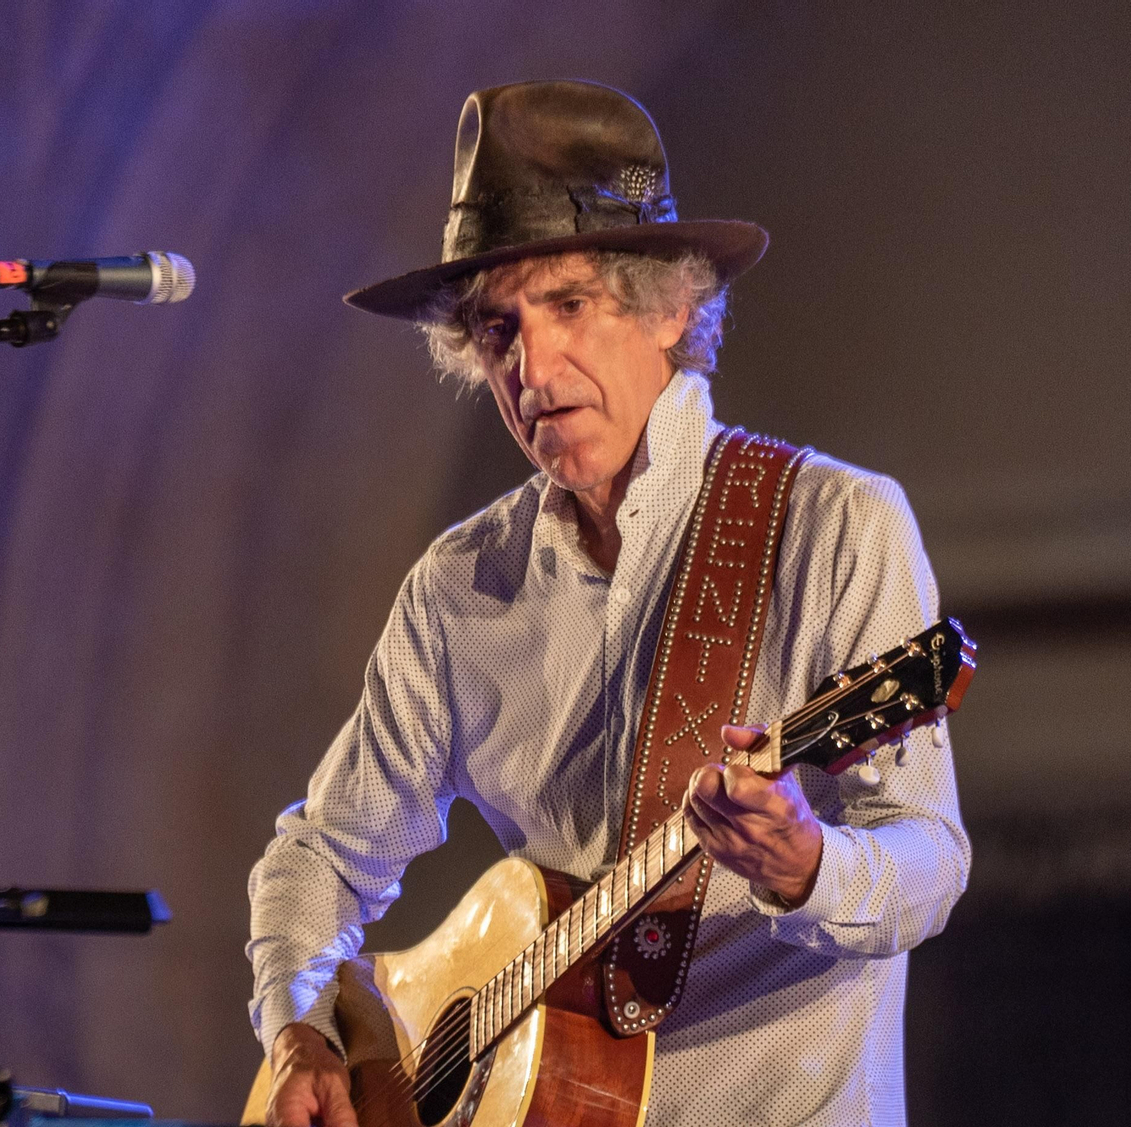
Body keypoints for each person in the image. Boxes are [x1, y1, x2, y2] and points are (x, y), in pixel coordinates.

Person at [247, 79, 969, 1127]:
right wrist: (299, 1026)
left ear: (670, 306)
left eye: (569, 305)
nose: (533, 367)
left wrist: (807, 862)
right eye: (497, 329)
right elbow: (321, 853)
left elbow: (929, 858)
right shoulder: (459, 587)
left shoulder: (835, 524)